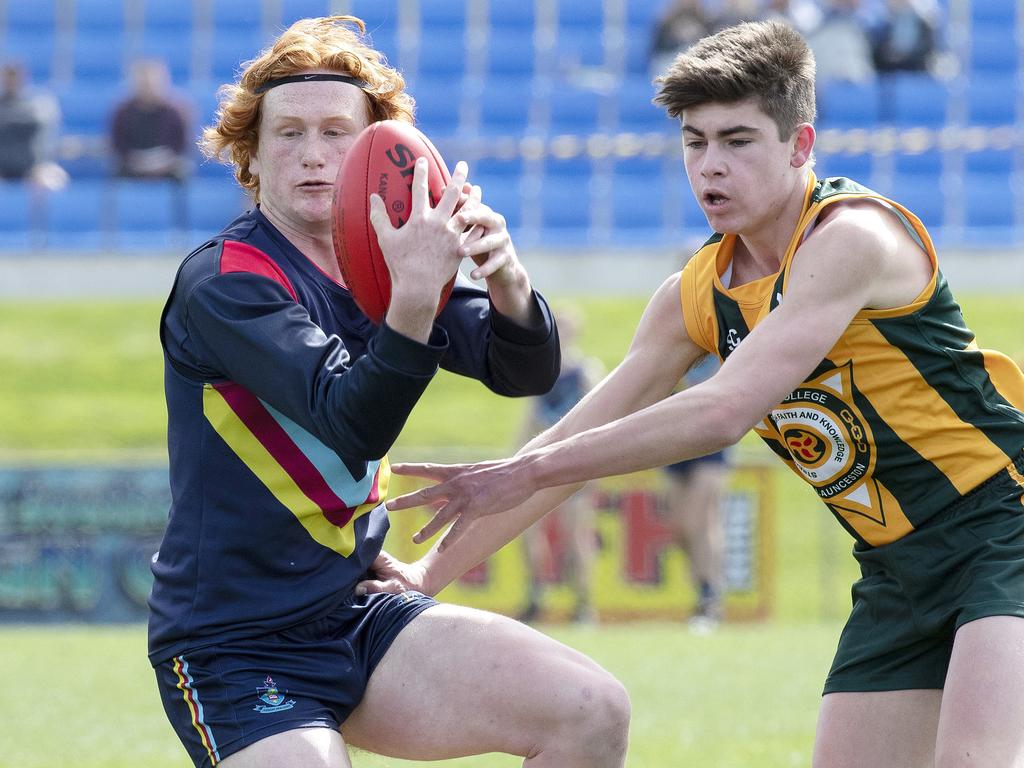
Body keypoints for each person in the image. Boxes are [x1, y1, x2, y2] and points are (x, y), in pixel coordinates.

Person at [378, 19, 1024, 766]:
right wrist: (422, 578)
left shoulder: (852, 238)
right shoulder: (694, 296)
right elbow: (571, 444)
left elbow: (724, 410)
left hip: (1002, 527)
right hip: (894, 569)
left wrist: (529, 467)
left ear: (800, 146)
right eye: (695, 142)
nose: (710, 166)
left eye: (739, 140)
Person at [147, 16, 629, 768]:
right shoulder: (226, 281)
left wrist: (504, 276)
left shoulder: (385, 259)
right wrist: (414, 295)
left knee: (590, 711)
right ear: (249, 152)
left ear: (377, 150)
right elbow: (351, 421)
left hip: (363, 612)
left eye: (338, 133)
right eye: (288, 134)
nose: (313, 156)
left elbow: (522, 371)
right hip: (235, 642)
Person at [516, 307, 603, 625]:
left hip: (575, 463)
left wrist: (595, 465)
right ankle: (537, 593)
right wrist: (515, 457)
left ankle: (584, 604)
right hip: (542, 463)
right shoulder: (542, 370)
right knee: (527, 532)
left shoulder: (585, 371)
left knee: (576, 535)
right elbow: (530, 419)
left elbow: (599, 417)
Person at [660, 354, 732, 632]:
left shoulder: (719, 349)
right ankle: (703, 582)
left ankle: (710, 595)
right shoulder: (678, 346)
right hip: (675, 439)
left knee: (700, 519)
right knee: (678, 527)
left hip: (710, 441)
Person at [109, 58, 192, 180]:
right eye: (143, 82)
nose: (148, 86)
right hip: (133, 164)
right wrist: (135, 160)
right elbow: (118, 144)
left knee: (183, 173)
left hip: (167, 164)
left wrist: (163, 161)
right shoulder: (123, 112)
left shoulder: (176, 111)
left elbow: (182, 144)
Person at [0, 61, 66, 189]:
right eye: (8, 77)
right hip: (1, 168)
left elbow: (40, 121)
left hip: (33, 168)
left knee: (52, 182)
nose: (11, 81)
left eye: (15, 77)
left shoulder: (36, 103)